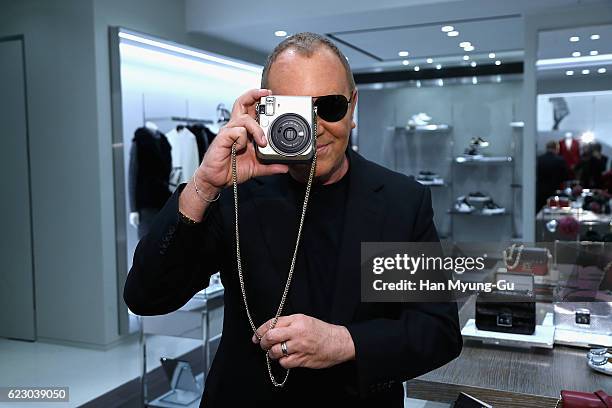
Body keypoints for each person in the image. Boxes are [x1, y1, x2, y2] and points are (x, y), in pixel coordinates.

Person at [123, 32, 462, 407]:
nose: (313, 126)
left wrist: (343, 342)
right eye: (295, 111)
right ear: (266, 112)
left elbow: (436, 330)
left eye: (329, 106)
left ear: (352, 107)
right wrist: (203, 184)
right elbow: (146, 297)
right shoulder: (236, 192)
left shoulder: (398, 201)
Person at [537, 140, 569, 212]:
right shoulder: (560, 160)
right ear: (557, 148)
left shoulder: (539, 159)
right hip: (555, 191)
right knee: (555, 213)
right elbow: (566, 177)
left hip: (540, 191)